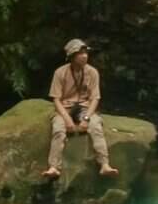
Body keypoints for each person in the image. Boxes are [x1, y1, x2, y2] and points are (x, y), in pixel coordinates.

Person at [41, 38, 119, 179]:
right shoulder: (60, 72)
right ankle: (53, 167)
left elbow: (95, 98)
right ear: (72, 57)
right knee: (58, 128)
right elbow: (56, 99)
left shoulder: (92, 72)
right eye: (80, 53)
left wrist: (86, 119)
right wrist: (67, 119)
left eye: (85, 53)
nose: (84, 56)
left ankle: (105, 164)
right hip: (65, 107)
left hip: (84, 107)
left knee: (96, 126)